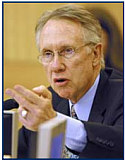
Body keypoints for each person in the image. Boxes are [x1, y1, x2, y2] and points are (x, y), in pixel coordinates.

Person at [5, 4, 123, 159]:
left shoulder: (120, 95)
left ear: (95, 54)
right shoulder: (47, 104)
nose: (55, 66)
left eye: (68, 51)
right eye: (47, 53)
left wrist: (54, 122)